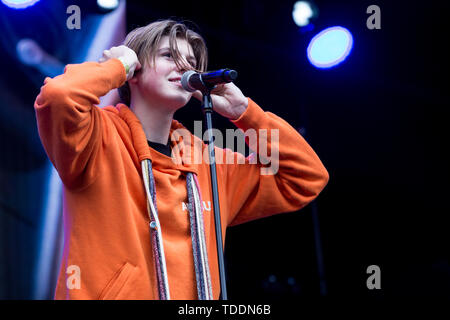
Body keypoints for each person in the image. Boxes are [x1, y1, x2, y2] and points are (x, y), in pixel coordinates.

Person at [34, 19, 329, 300]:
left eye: (191, 62)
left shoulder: (210, 162)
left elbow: (305, 176)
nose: (184, 67)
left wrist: (244, 112)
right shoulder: (95, 137)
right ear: (134, 71)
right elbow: (59, 96)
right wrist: (115, 67)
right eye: (168, 55)